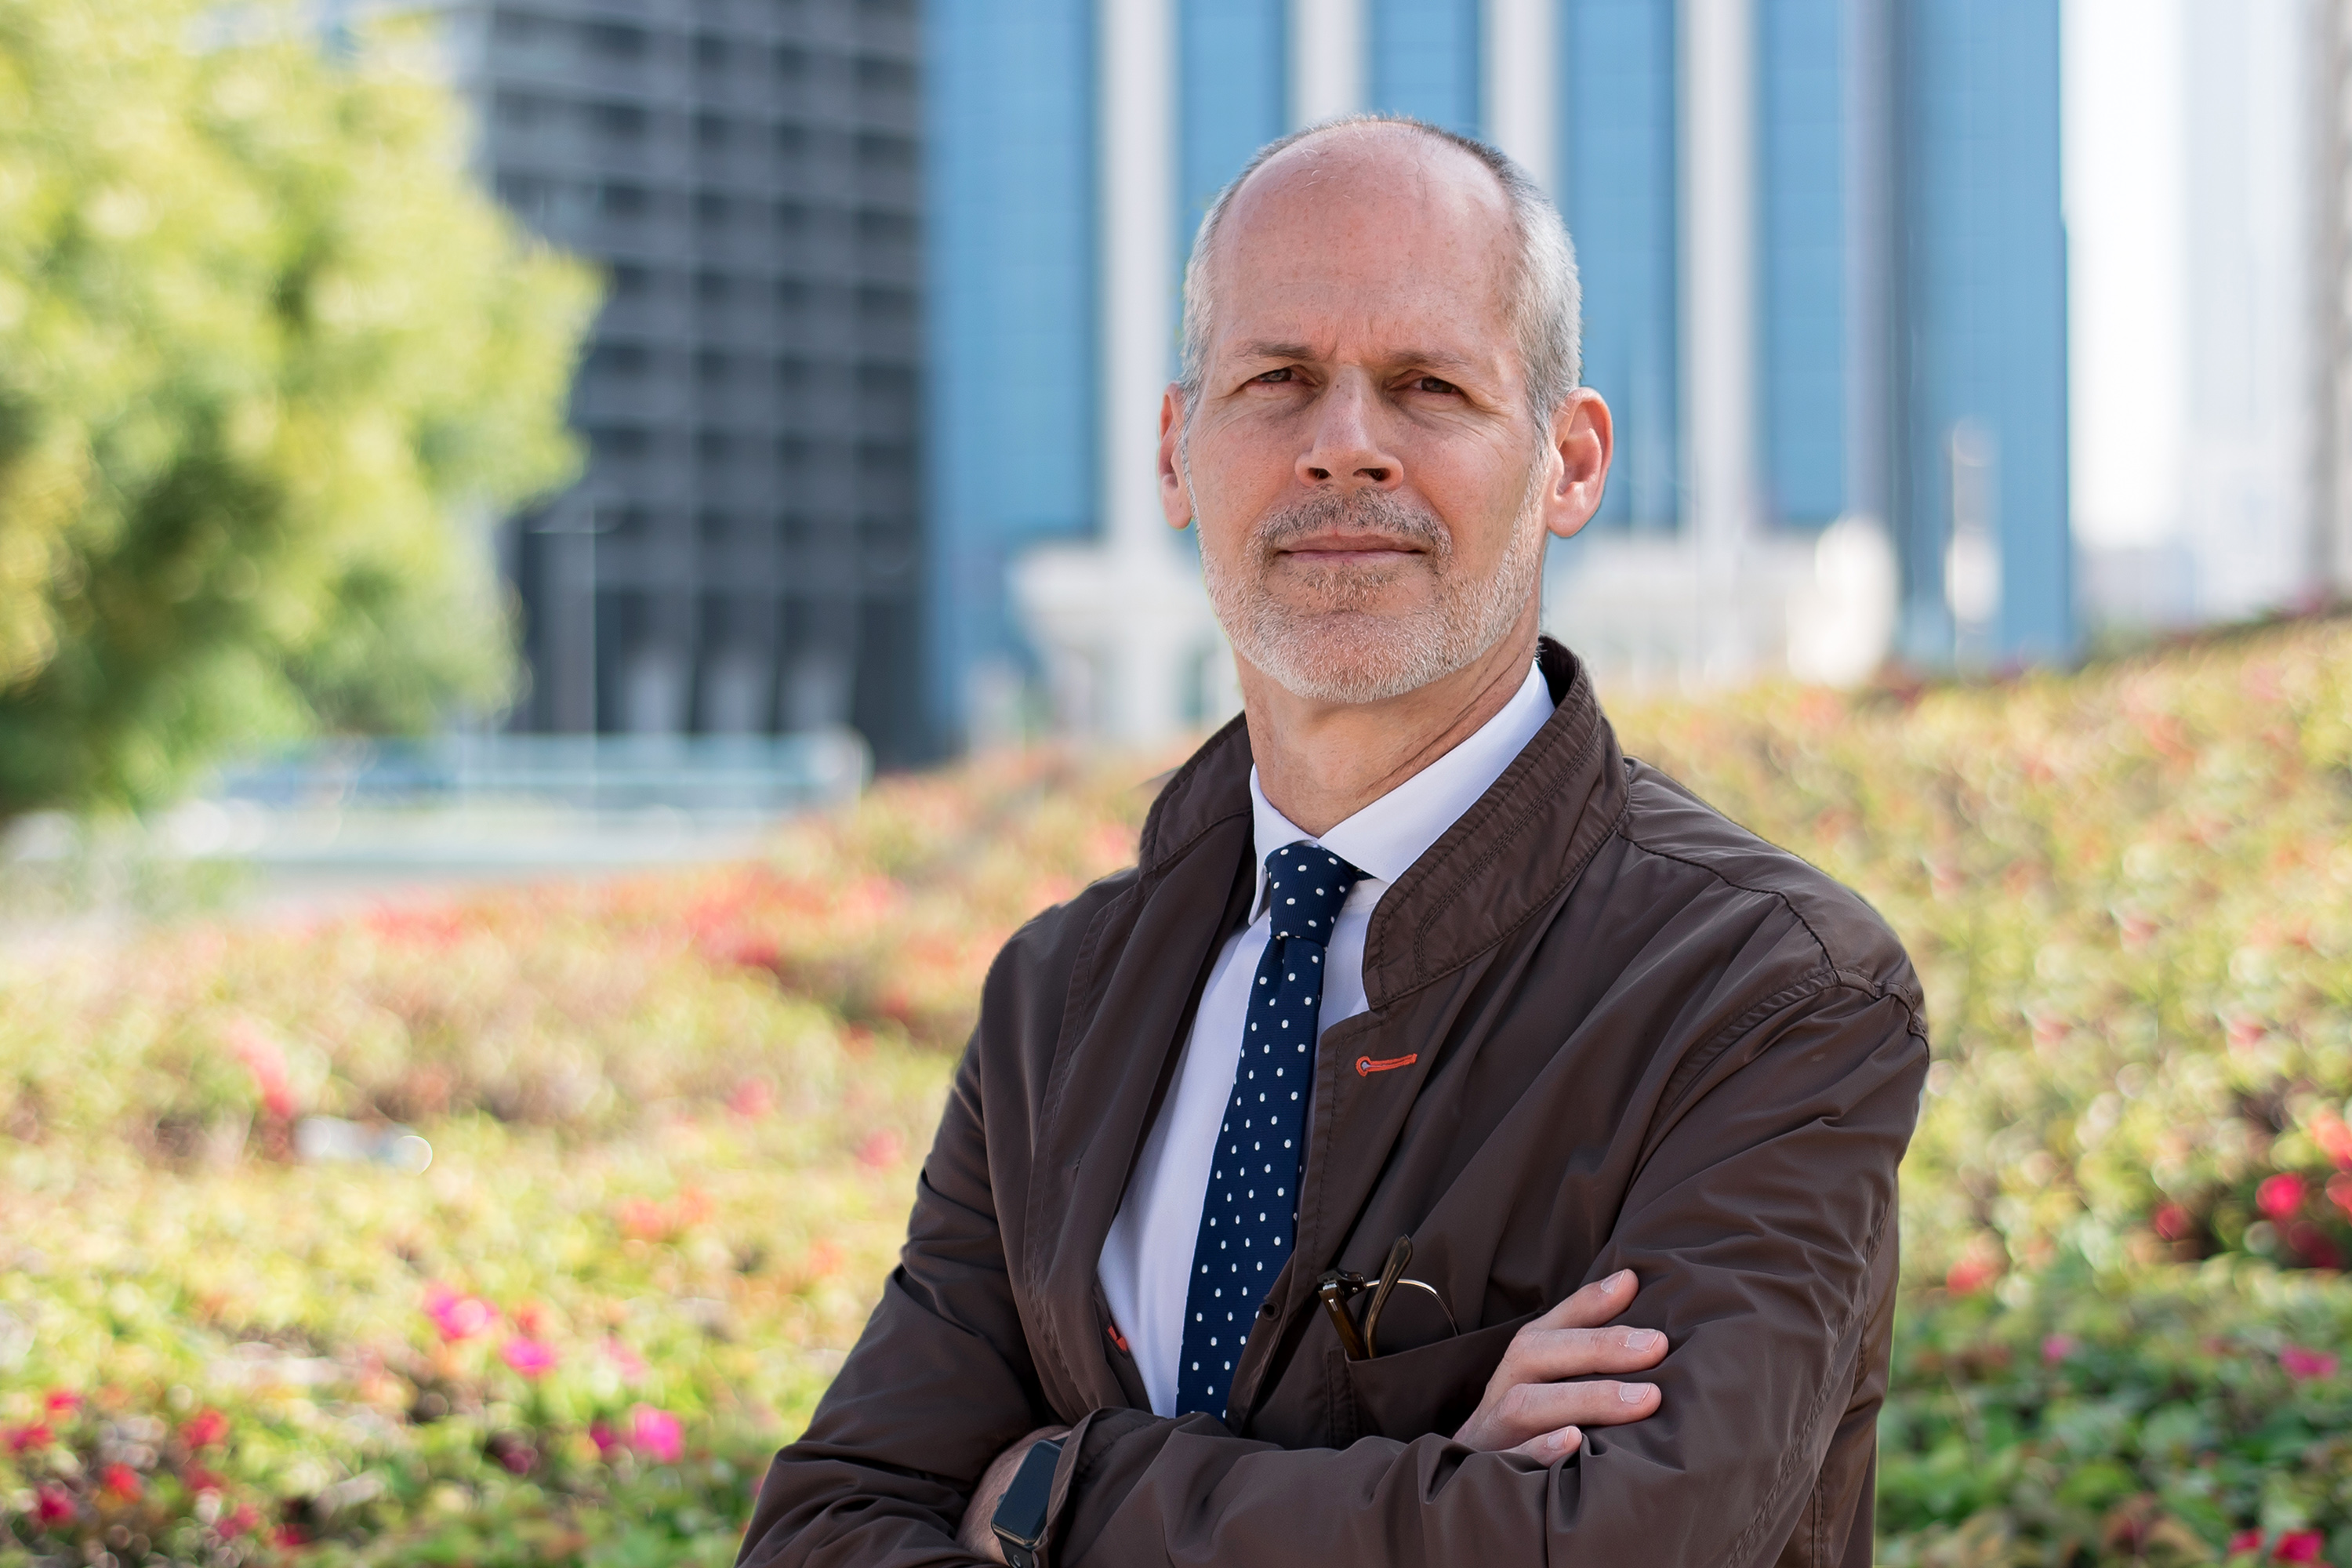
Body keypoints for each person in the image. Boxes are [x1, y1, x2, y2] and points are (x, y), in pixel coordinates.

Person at [736, 115, 1927, 1568]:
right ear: (1178, 453)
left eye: (1429, 386)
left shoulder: (1766, 991)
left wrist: (1055, 1494)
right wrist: (1440, 1492)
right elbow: (823, 1530)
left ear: (1568, 460)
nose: (1344, 445)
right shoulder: (1059, 999)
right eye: (1278, 381)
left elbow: (1621, 1547)